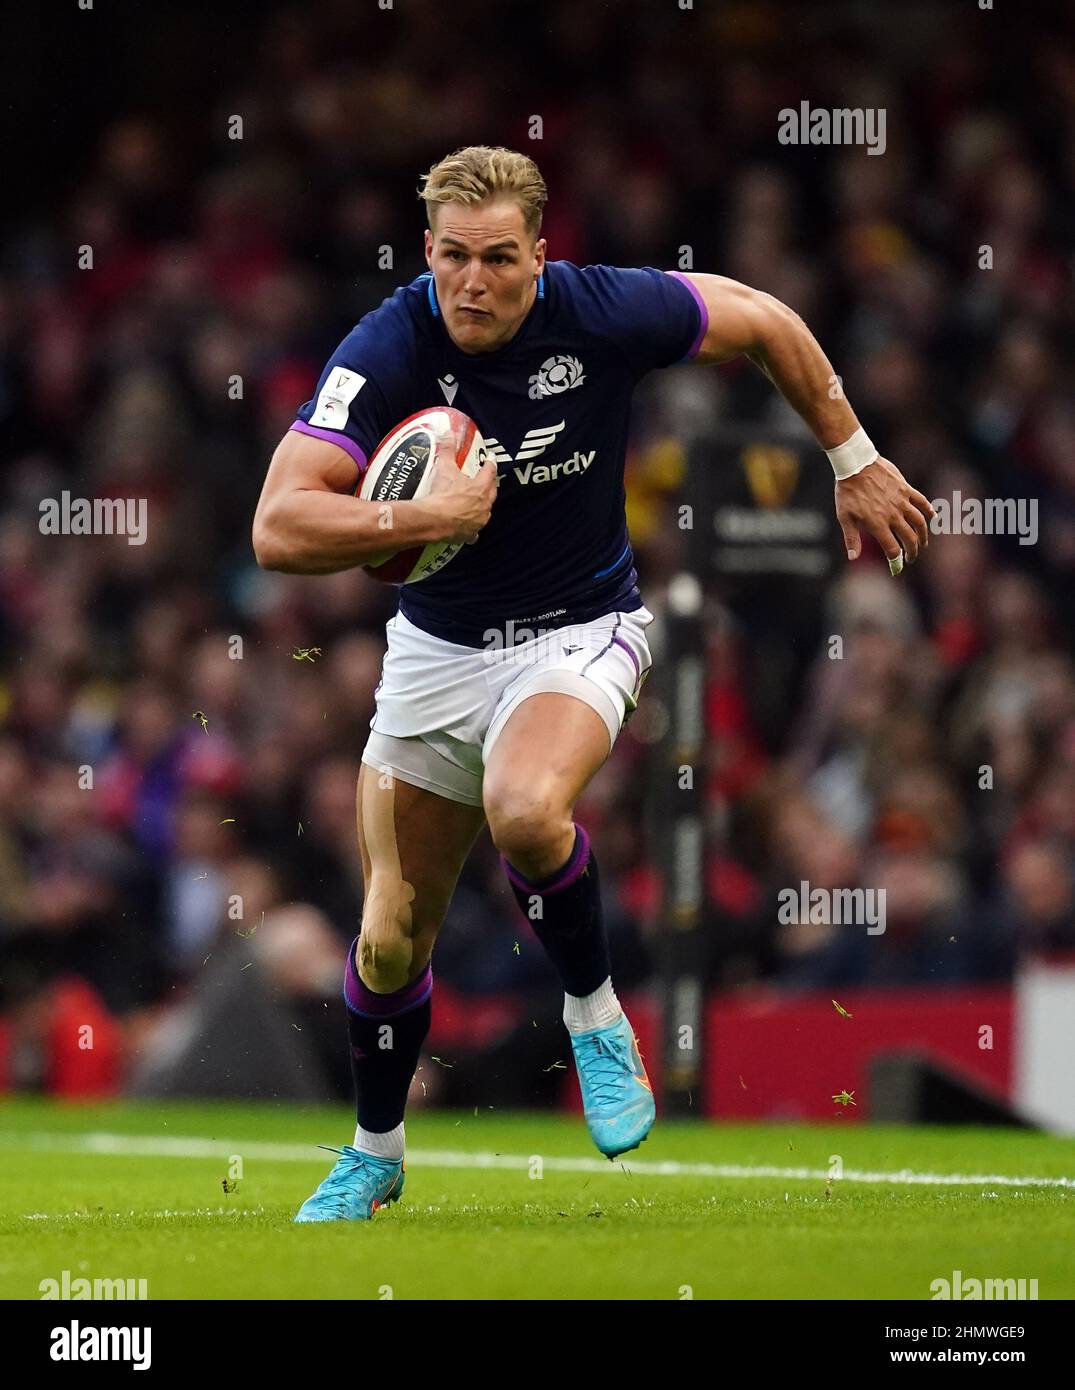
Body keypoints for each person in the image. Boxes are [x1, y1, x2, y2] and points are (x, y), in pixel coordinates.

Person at [252, 145, 933, 1222]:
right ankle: (374, 1151)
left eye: (501, 259)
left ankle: (596, 1011)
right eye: (455, 259)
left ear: (540, 253)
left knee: (525, 808)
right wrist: (422, 520)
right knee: (390, 933)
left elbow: (761, 318)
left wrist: (850, 459)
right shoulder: (388, 343)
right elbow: (277, 525)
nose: (475, 283)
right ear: (427, 252)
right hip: (435, 650)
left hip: (581, 631)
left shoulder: (604, 310)